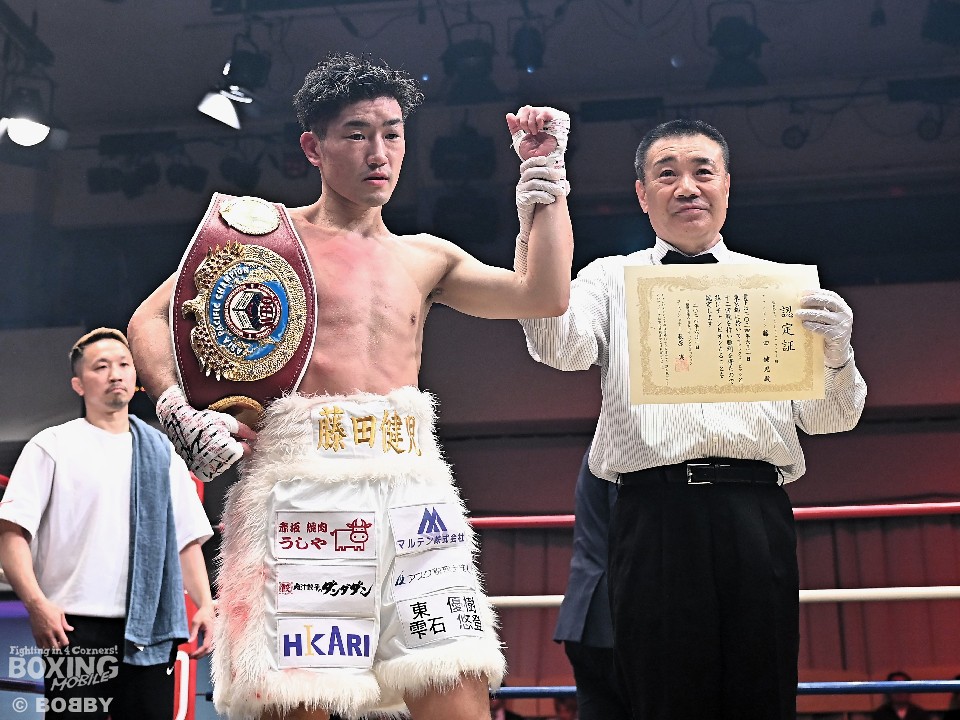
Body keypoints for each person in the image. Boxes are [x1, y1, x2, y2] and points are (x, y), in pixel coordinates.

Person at [127, 52, 573, 720]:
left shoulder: (427, 257)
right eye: (357, 134)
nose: (379, 152)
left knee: (456, 693)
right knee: (297, 702)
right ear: (314, 147)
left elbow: (542, 294)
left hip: (414, 495)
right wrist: (173, 406)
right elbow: (148, 320)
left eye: (392, 133)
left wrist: (545, 178)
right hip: (302, 493)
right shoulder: (264, 238)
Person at [519, 118, 867, 720]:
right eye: (667, 174)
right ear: (641, 193)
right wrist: (540, 203)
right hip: (653, 514)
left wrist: (839, 353)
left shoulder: (779, 283)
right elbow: (558, 347)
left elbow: (831, 419)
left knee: (762, 693)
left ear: (727, 185)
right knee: (664, 697)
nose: (687, 187)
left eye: (703, 172)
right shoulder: (609, 278)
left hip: (755, 511)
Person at [0, 327, 214, 720]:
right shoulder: (51, 446)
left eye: (123, 364)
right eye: (101, 367)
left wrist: (204, 604)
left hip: (150, 627)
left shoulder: (162, 452)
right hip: (73, 627)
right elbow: (12, 533)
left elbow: (186, 539)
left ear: (135, 377)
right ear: (79, 384)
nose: (115, 374)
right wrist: (36, 605)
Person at [553, 447, 629, 720]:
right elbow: (631, 531)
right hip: (620, 615)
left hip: (584, 617)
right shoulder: (629, 449)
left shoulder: (598, 449)